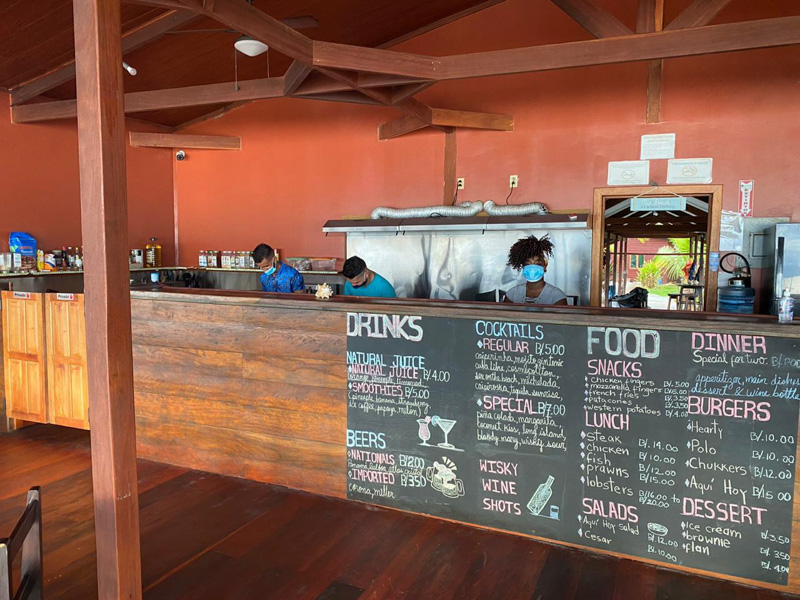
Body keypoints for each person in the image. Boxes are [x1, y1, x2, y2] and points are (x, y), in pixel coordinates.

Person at [504, 234, 568, 305]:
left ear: (545, 267)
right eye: (528, 264)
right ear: (523, 268)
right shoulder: (512, 294)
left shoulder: (557, 296)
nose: (532, 268)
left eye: (537, 264)